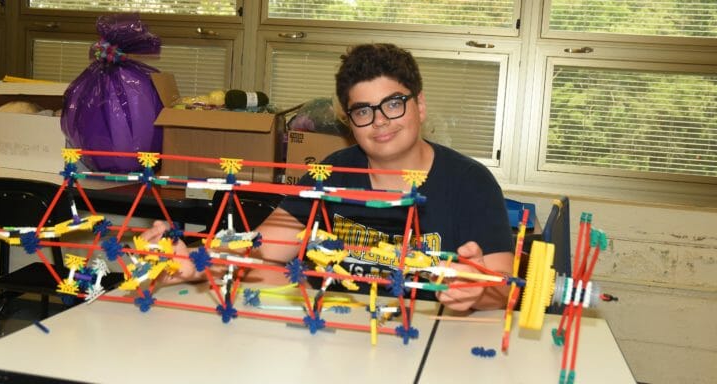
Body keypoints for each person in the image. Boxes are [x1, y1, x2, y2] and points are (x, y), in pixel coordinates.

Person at [143, 43, 514, 311]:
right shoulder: (333, 172)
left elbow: (503, 288)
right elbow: (261, 245)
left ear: (419, 105)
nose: (380, 120)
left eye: (393, 104)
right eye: (363, 110)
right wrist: (193, 261)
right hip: (339, 334)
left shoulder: (471, 182)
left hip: (432, 338)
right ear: (350, 123)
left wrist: (477, 291)